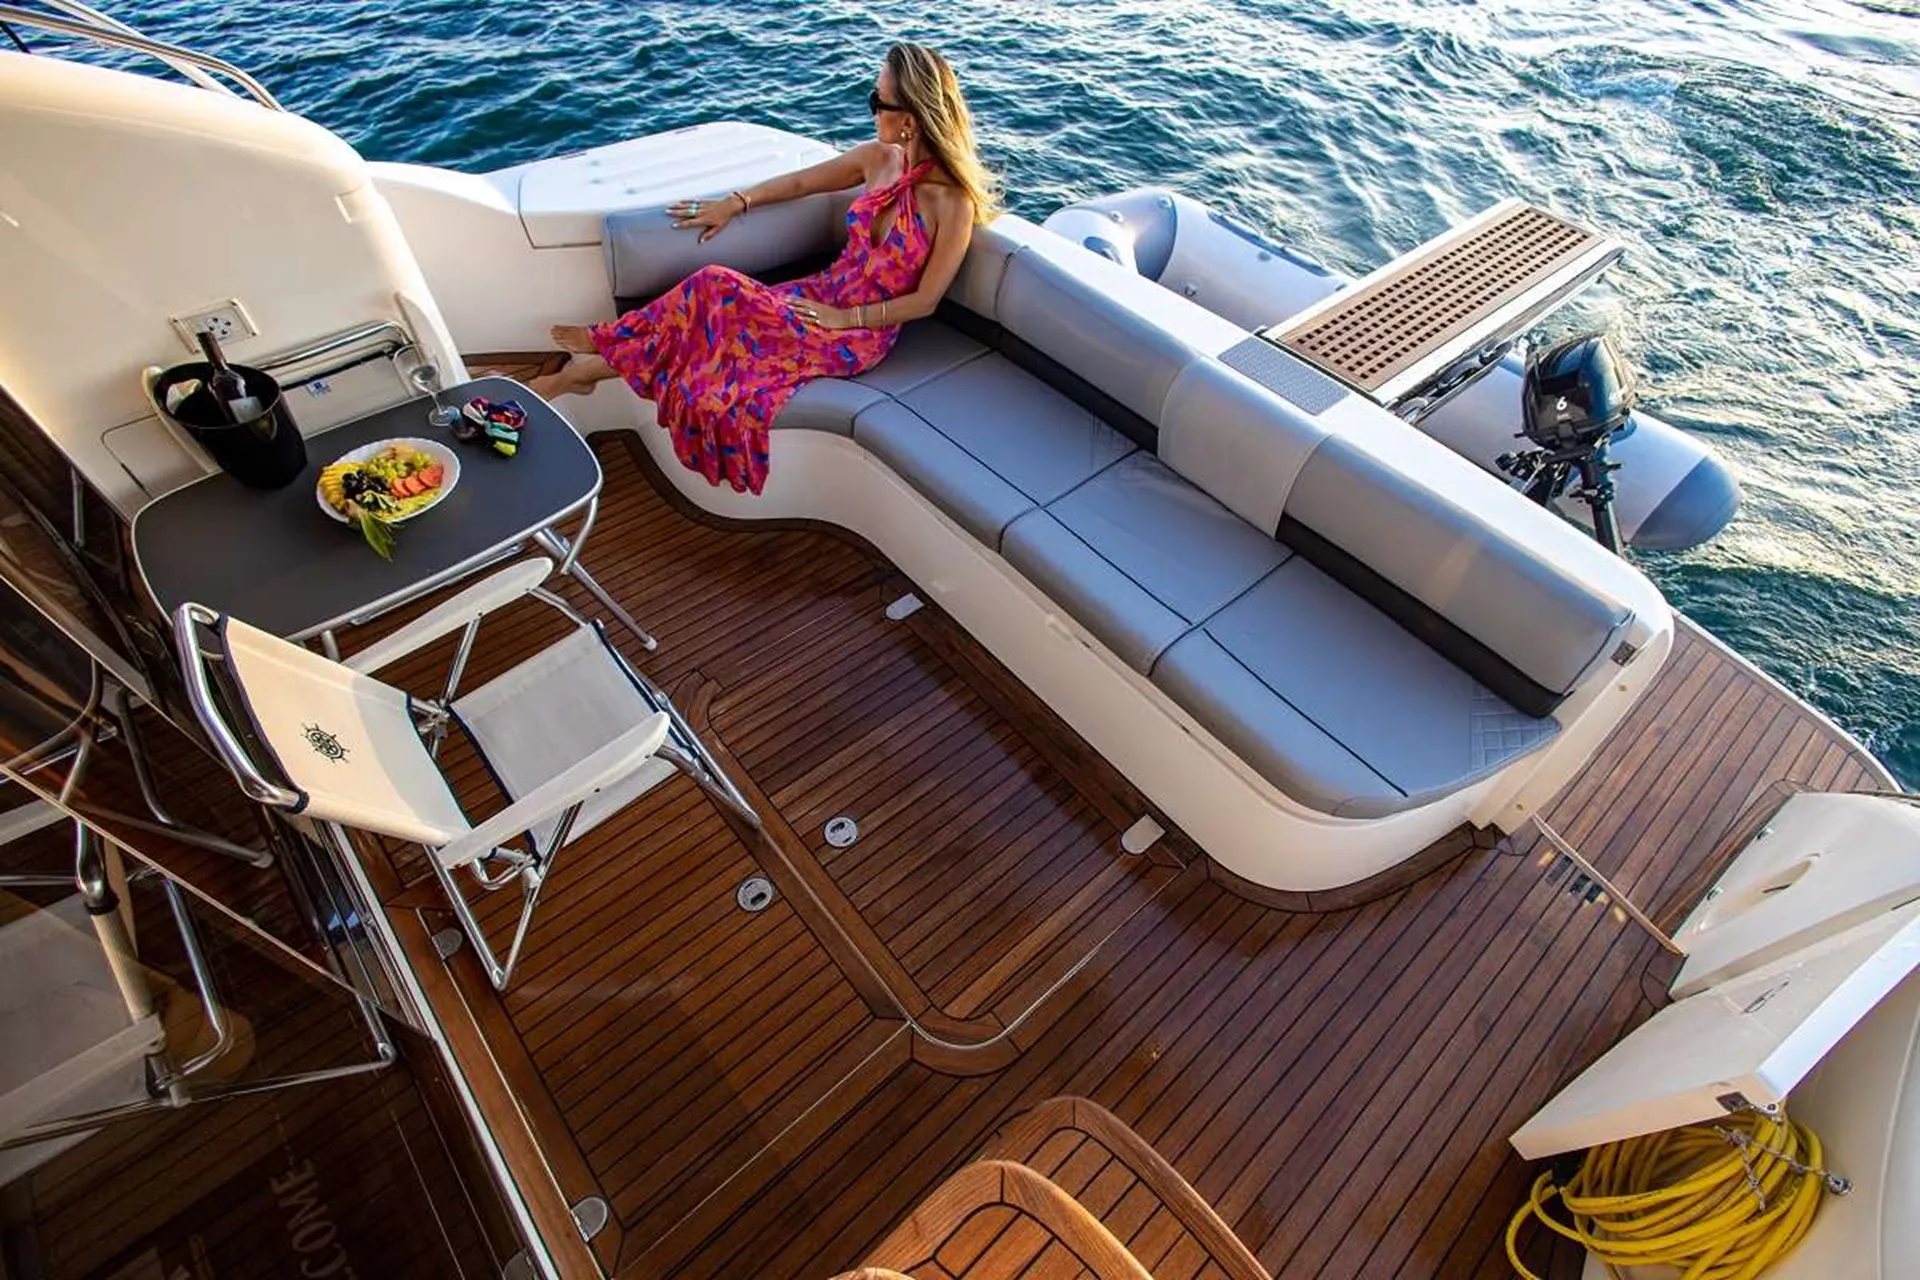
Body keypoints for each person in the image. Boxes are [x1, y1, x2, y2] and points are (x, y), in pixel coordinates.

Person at [529, 42, 998, 496]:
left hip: (858, 332)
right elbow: (801, 183)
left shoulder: (951, 203)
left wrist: (843, 319)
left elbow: (925, 301)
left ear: (910, 119)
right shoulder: (878, 159)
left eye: (878, 100)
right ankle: (585, 372)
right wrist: (736, 202)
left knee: (715, 289)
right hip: (820, 292)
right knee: (709, 316)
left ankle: (593, 359)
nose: (871, 109)